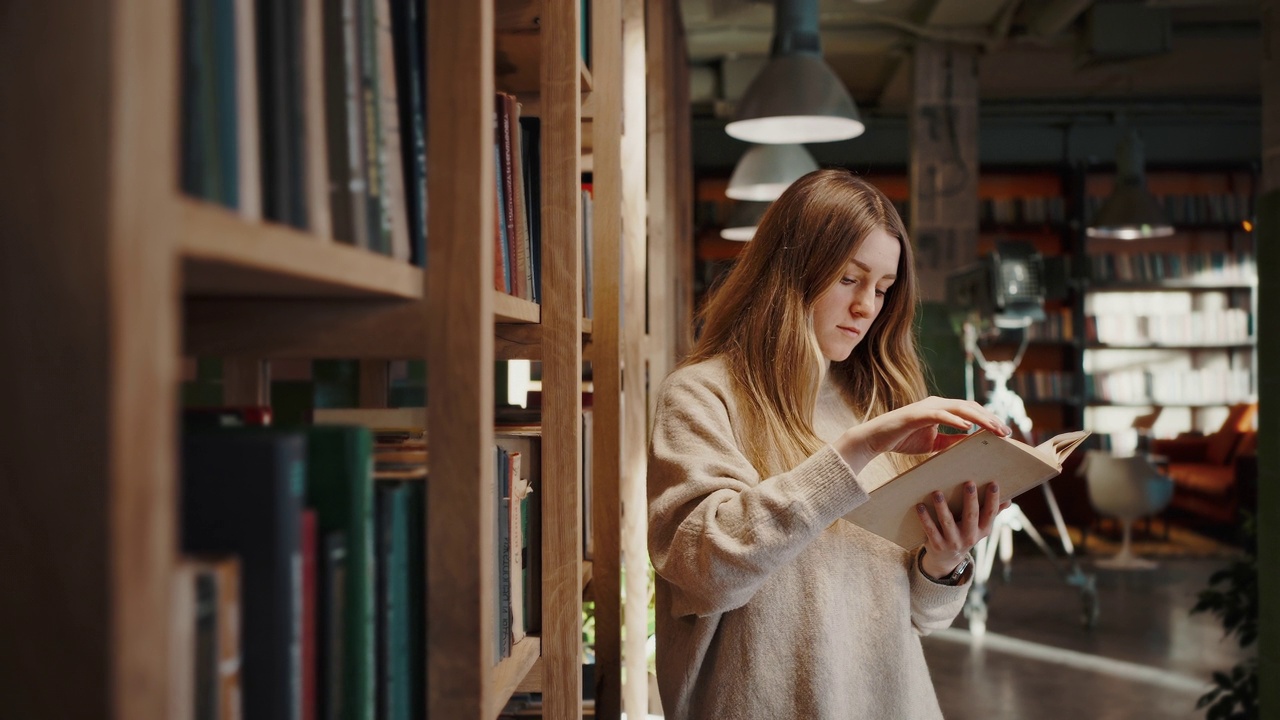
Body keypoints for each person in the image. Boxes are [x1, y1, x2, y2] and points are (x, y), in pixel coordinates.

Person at [647, 168, 1014, 719]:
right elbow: (705, 573)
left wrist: (945, 562)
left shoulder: (877, 399)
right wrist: (856, 449)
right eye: (850, 279)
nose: (869, 307)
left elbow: (919, 619)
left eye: (884, 289)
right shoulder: (701, 396)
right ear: (791, 271)